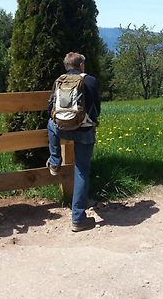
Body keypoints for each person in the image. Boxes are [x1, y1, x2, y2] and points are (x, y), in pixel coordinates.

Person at [47, 52, 101, 232]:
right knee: (82, 171)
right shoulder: (90, 81)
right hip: (84, 131)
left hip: (62, 128)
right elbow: (96, 109)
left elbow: (50, 108)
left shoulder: (59, 81)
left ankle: (55, 161)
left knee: (50, 123)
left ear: (66, 66)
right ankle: (78, 219)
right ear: (82, 65)